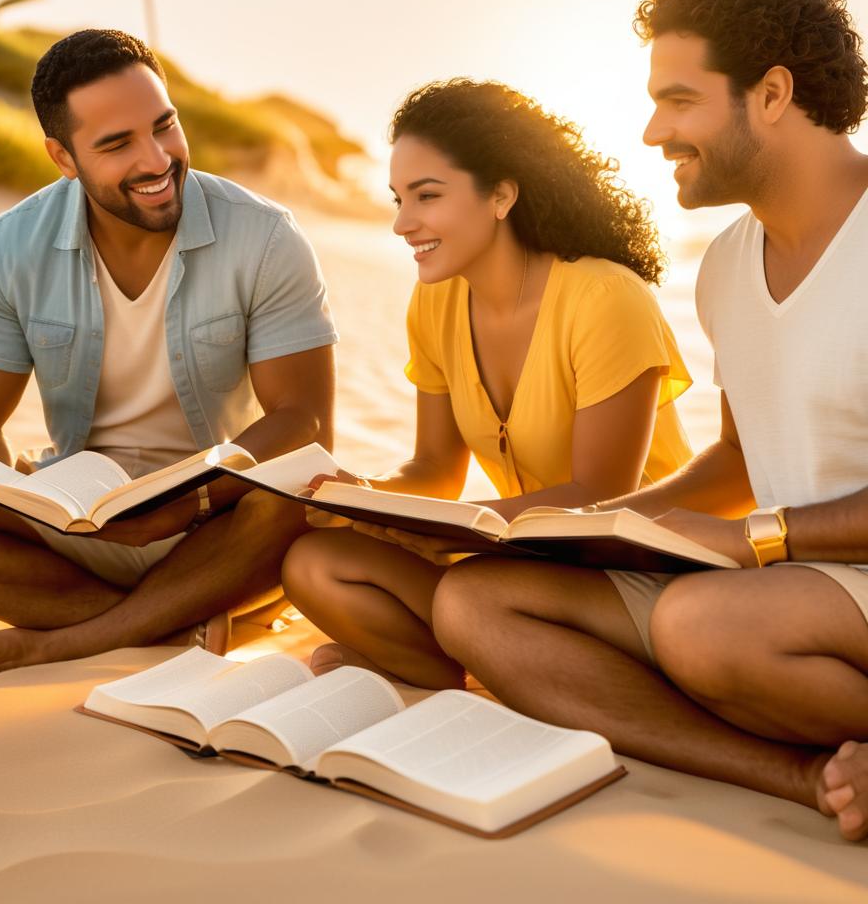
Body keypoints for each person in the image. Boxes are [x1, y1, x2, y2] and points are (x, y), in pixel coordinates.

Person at [431, 0, 868, 842]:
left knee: (703, 629)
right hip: (780, 585)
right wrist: (601, 527)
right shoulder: (728, 269)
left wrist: (757, 539)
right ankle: (803, 776)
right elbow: (743, 458)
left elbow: (755, 517)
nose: (650, 130)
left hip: (794, 585)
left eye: (678, 100)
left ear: (773, 94)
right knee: (479, 603)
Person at [0, 29, 338, 682]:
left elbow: (303, 425)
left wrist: (190, 505)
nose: (156, 160)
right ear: (63, 157)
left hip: (222, 521)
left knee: (295, 496)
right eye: (117, 144)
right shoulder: (8, 250)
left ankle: (68, 641)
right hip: (85, 527)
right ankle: (177, 623)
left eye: (164, 127)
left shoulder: (264, 238)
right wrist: (2, 489)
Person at [283, 78, 692, 688]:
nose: (402, 223)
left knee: (471, 589)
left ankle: (476, 662)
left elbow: (602, 495)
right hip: (513, 559)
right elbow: (435, 470)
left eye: (426, 196)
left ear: (501, 195)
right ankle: (489, 668)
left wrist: (453, 531)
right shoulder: (436, 303)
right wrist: (367, 498)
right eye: (397, 199)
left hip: (636, 570)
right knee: (317, 562)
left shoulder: (605, 297)